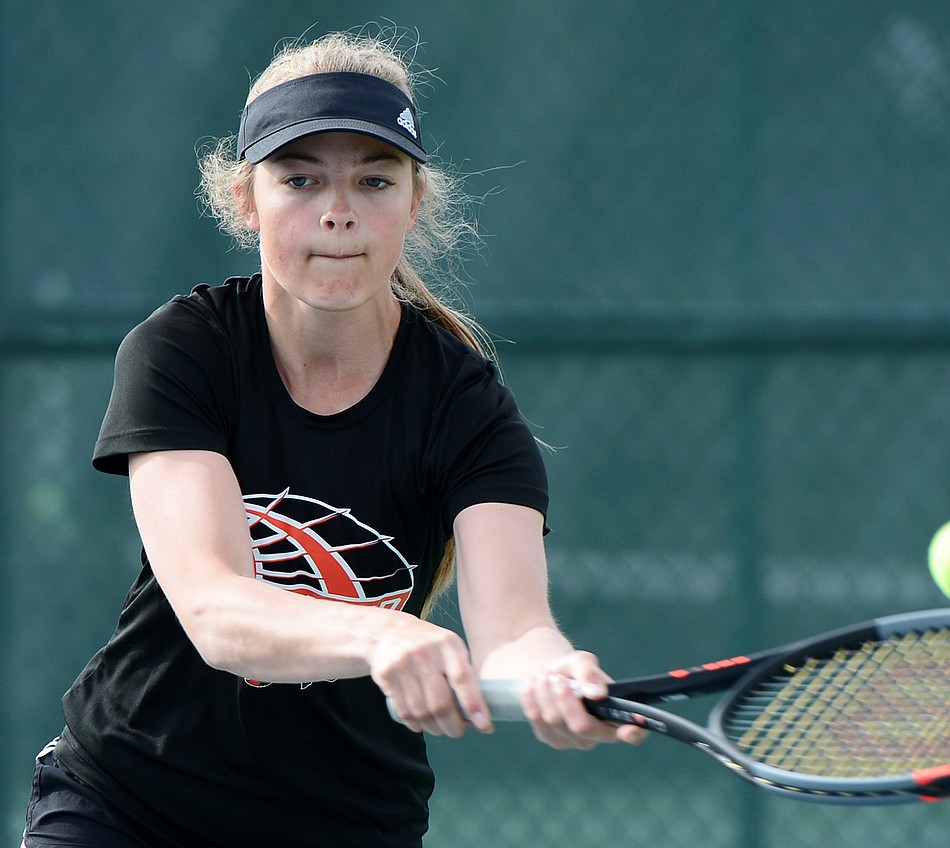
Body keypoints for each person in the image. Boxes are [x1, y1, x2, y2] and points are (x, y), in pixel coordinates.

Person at [22, 29, 642, 848]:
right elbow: (216, 611)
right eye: (300, 177)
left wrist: (551, 675)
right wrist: (384, 633)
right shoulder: (185, 349)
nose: (338, 209)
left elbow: (513, 631)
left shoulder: (466, 404)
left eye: (374, 179)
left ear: (415, 204)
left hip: (348, 821)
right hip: (128, 802)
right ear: (246, 199)